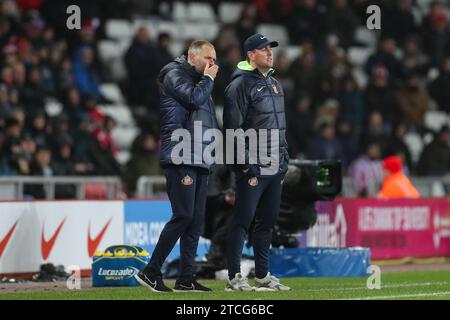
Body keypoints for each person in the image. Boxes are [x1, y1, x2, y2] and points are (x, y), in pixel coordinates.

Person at [135, 40, 219, 292]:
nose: (213, 64)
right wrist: (209, 80)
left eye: (214, 59)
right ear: (192, 57)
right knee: (183, 215)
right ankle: (151, 270)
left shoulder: (200, 80)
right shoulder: (174, 74)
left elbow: (206, 121)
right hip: (181, 155)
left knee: (195, 221)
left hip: (199, 157)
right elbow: (193, 100)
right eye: (208, 58)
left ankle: (186, 277)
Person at [223, 33, 290, 291]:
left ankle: (262, 276)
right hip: (253, 166)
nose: (269, 53)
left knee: (267, 222)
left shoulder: (275, 83)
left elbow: (280, 125)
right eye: (263, 49)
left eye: (270, 48)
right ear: (250, 55)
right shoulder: (239, 85)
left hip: (275, 165)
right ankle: (233, 277)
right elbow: (231, 128)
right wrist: (243, 164)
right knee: (242, 221)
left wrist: (284, 157)